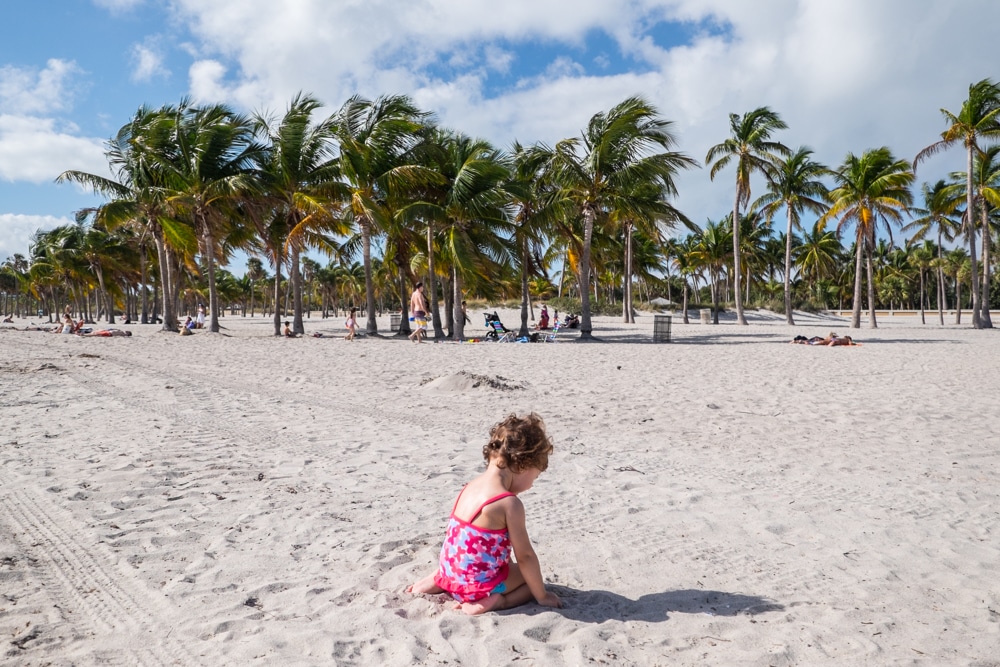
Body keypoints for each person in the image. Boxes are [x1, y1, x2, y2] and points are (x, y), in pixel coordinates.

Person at [407, 413, 562, 615]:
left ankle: (437, 579)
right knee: (531, 579)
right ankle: (498, 601)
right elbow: (525, 556)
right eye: (535, 476)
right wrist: (542, 596)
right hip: (477, 586)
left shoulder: (469, 487)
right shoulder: (509, 504)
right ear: (523, 466)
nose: (532, 485)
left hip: (450, 573)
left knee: (475, 555)